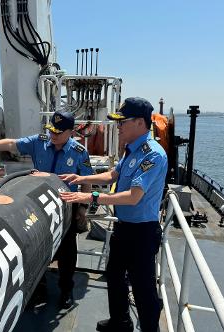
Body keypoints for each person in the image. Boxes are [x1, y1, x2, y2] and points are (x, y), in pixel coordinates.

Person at [59, 97, 167, 332]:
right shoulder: (132, 150)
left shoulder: (152, 154)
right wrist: (81, 178)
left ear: (139, 122)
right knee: (115, 276)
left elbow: (133, 196)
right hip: (123, 227)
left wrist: (89, 197)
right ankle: (121, 322)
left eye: (122, 122)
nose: (118, 127)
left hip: (142, 232)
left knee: (143, 288)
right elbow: (111, 176)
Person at [0, 110, 94, 309]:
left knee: (68, 250)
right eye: (52, 130)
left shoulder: (78, 152)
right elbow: (11, 144)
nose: (53, 135)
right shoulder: (39, 142)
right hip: (40, 203)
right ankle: (39, 290)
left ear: (70, 132)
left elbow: (87, 181)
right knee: (38, 245)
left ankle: (66, 290)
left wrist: (83, 208)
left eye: (59, 132)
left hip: (66, 204)